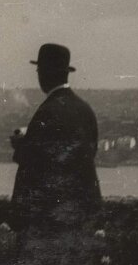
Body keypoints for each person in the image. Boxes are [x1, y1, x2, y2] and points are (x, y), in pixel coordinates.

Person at [10, 43, 102, 235]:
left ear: (45, 73)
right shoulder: (85, 110)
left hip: (50, 218)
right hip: (83, 212)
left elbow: (35, 163)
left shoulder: (47, 112)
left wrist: (20, 143)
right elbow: (88, 153)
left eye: (39, 70)